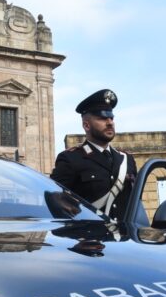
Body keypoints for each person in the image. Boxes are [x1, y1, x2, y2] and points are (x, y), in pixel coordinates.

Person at [50, 89, 137, 223]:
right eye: (102, 118)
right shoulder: (71, 159)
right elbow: (54, 201)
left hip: (125, 240)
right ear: (86, 125)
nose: (110, 122)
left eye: (111, 118)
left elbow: (135, 203)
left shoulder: (126, 160)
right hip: (91, 240)